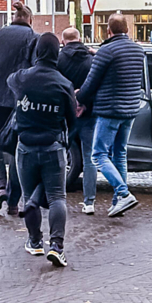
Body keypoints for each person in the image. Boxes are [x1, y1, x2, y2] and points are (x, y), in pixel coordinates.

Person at [7, 33, 77, 267]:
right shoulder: (63, 83)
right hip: (52, 147)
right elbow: (72, 118)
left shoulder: (21, 79)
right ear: (57, 53)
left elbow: (10, 81)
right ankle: (56, 246)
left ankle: (35, 241)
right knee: (57, 197)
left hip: (25, 147)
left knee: (29, 197)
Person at [76, 14, 146, 217]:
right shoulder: (137, 49)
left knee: (98, 155)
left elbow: (91, 83)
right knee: (120, 154)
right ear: (128, 30)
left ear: (108, 31)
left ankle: (123, 194)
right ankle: (118, 201)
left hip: (110, 110)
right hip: (130, 110)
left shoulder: (106, 51)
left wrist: (79, 97)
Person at [0, 1, 37, 215]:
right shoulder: (33, 38)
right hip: (21, 101)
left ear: (14, 17)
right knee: (17, 148)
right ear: (29, 19)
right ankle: (13, 201)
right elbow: (34, 71)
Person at [57, 27, 98, 215]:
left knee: (58, 154)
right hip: (88, 113)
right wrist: (83, 103)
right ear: (80, 38)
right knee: (89, 157)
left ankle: (54, 197)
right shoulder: (92, 59)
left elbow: (55, 85)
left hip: (64, 115)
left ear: (63, 41)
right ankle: (89, 202)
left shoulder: (58, 59)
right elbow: (97, 85)